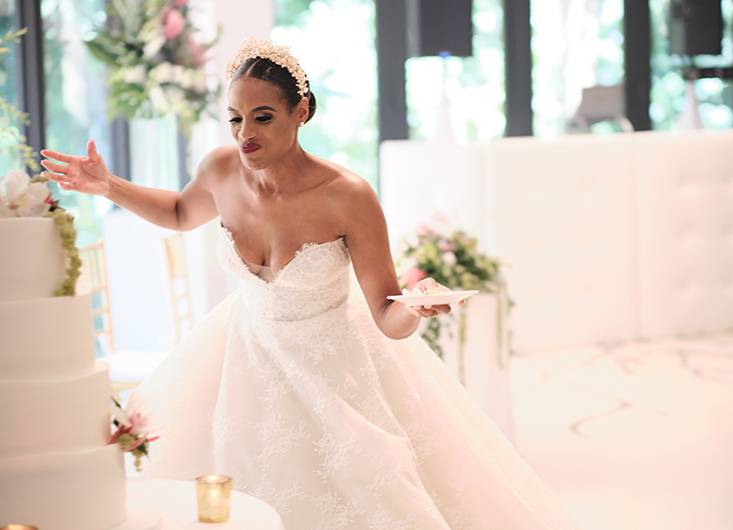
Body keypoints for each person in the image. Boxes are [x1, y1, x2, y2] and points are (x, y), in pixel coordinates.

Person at [41, 38, 580, 530]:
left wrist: (415, 306)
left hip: (335, 370)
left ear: (301, 112)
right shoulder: (222, 170)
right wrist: (108, 185)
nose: (245, 135)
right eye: (234, 119)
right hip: (242, 356)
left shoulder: (347, 196)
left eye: (263, 117)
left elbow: (386, 316)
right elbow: (182, 212)